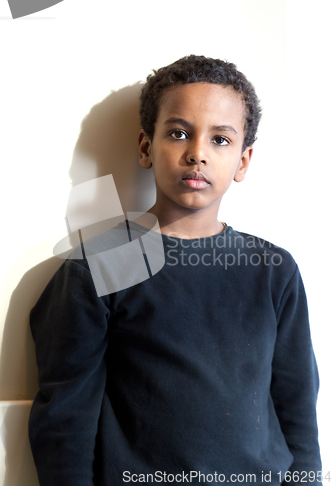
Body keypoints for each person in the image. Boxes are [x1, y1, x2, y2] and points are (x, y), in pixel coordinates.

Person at [29, 55, 322, 486]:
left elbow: (298, 409)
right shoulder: (102, 264)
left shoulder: (273, 271)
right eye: (179, 133)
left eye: (220, 140)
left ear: (243, 161)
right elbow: (65, 421)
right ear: (147, 148)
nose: (197, 153)